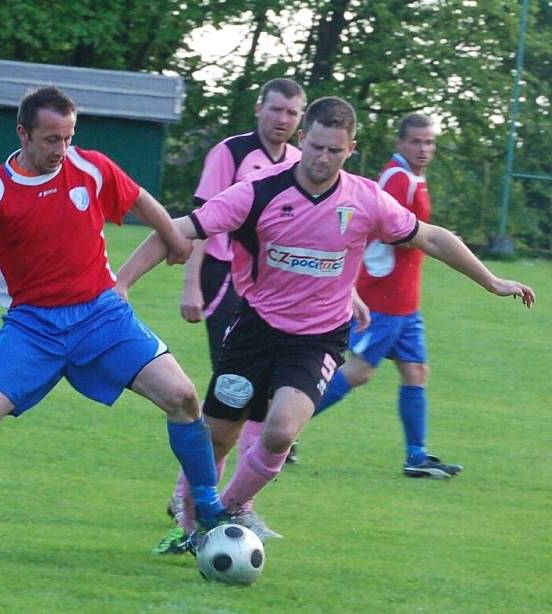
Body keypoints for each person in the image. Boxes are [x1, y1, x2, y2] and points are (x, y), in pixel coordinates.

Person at [116, 96, 535, 537]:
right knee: (219, 437)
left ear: (350, 149)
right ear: (303, 139)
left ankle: (230, 510)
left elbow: (431, 238)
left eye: (335, 150)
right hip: (255, 330)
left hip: (317, 338)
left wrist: (490, 280)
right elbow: (177, 230)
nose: (323, 158)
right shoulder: (259, 191)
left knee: (280, 431)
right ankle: (190, 514)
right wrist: (121, 285)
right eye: (316, 147)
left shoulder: (366, 199)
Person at [0, 86, 229, 550]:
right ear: (23, 133)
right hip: (32, 327)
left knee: (184, 397)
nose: (61, 150)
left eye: (67, 138)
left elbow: (140, 198)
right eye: (50, 139)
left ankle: (207, 510)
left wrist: (174, 237)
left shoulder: (89, 166)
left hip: (102, 316)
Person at [156, 78, 305, 554]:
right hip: (224, 280)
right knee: (231, 400)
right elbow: (201, 219)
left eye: (292, 113)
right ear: (260, 108)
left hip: (273, 288)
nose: (283, 119)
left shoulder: (303, 162)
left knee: (256, 404)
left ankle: (230, 503)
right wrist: (191, 284)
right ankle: (192, 499)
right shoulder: (231, 152)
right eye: (276, 109)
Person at [312, 114, 461, 478]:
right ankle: (275, 424)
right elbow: (392, 230)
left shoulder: (413, 177)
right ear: (400, 144)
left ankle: (417, 456)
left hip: (406, 297)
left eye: (429, 143)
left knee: (416, 370)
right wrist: (434, 238)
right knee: (360, 371)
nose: (423, 149)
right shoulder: (396, 178)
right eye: (416, 142)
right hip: (384, 294)